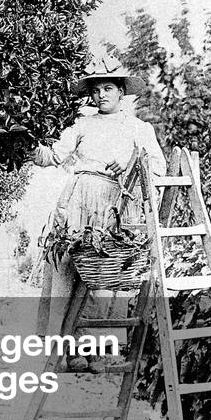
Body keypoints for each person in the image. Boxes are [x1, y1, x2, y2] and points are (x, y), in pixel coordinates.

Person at [32, 65, 167, 371]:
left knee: (104, 275)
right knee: (68, 268)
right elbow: (53, 155)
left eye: (107, 88)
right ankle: (67, 350)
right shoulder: (82, 124)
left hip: (115, 205)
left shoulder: (138, 129)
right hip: (79, 198)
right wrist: (28, 147)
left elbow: (157, 168)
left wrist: (131, 166)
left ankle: (98, 350)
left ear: (121, 92)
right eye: (96, 90)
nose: (101, 95)